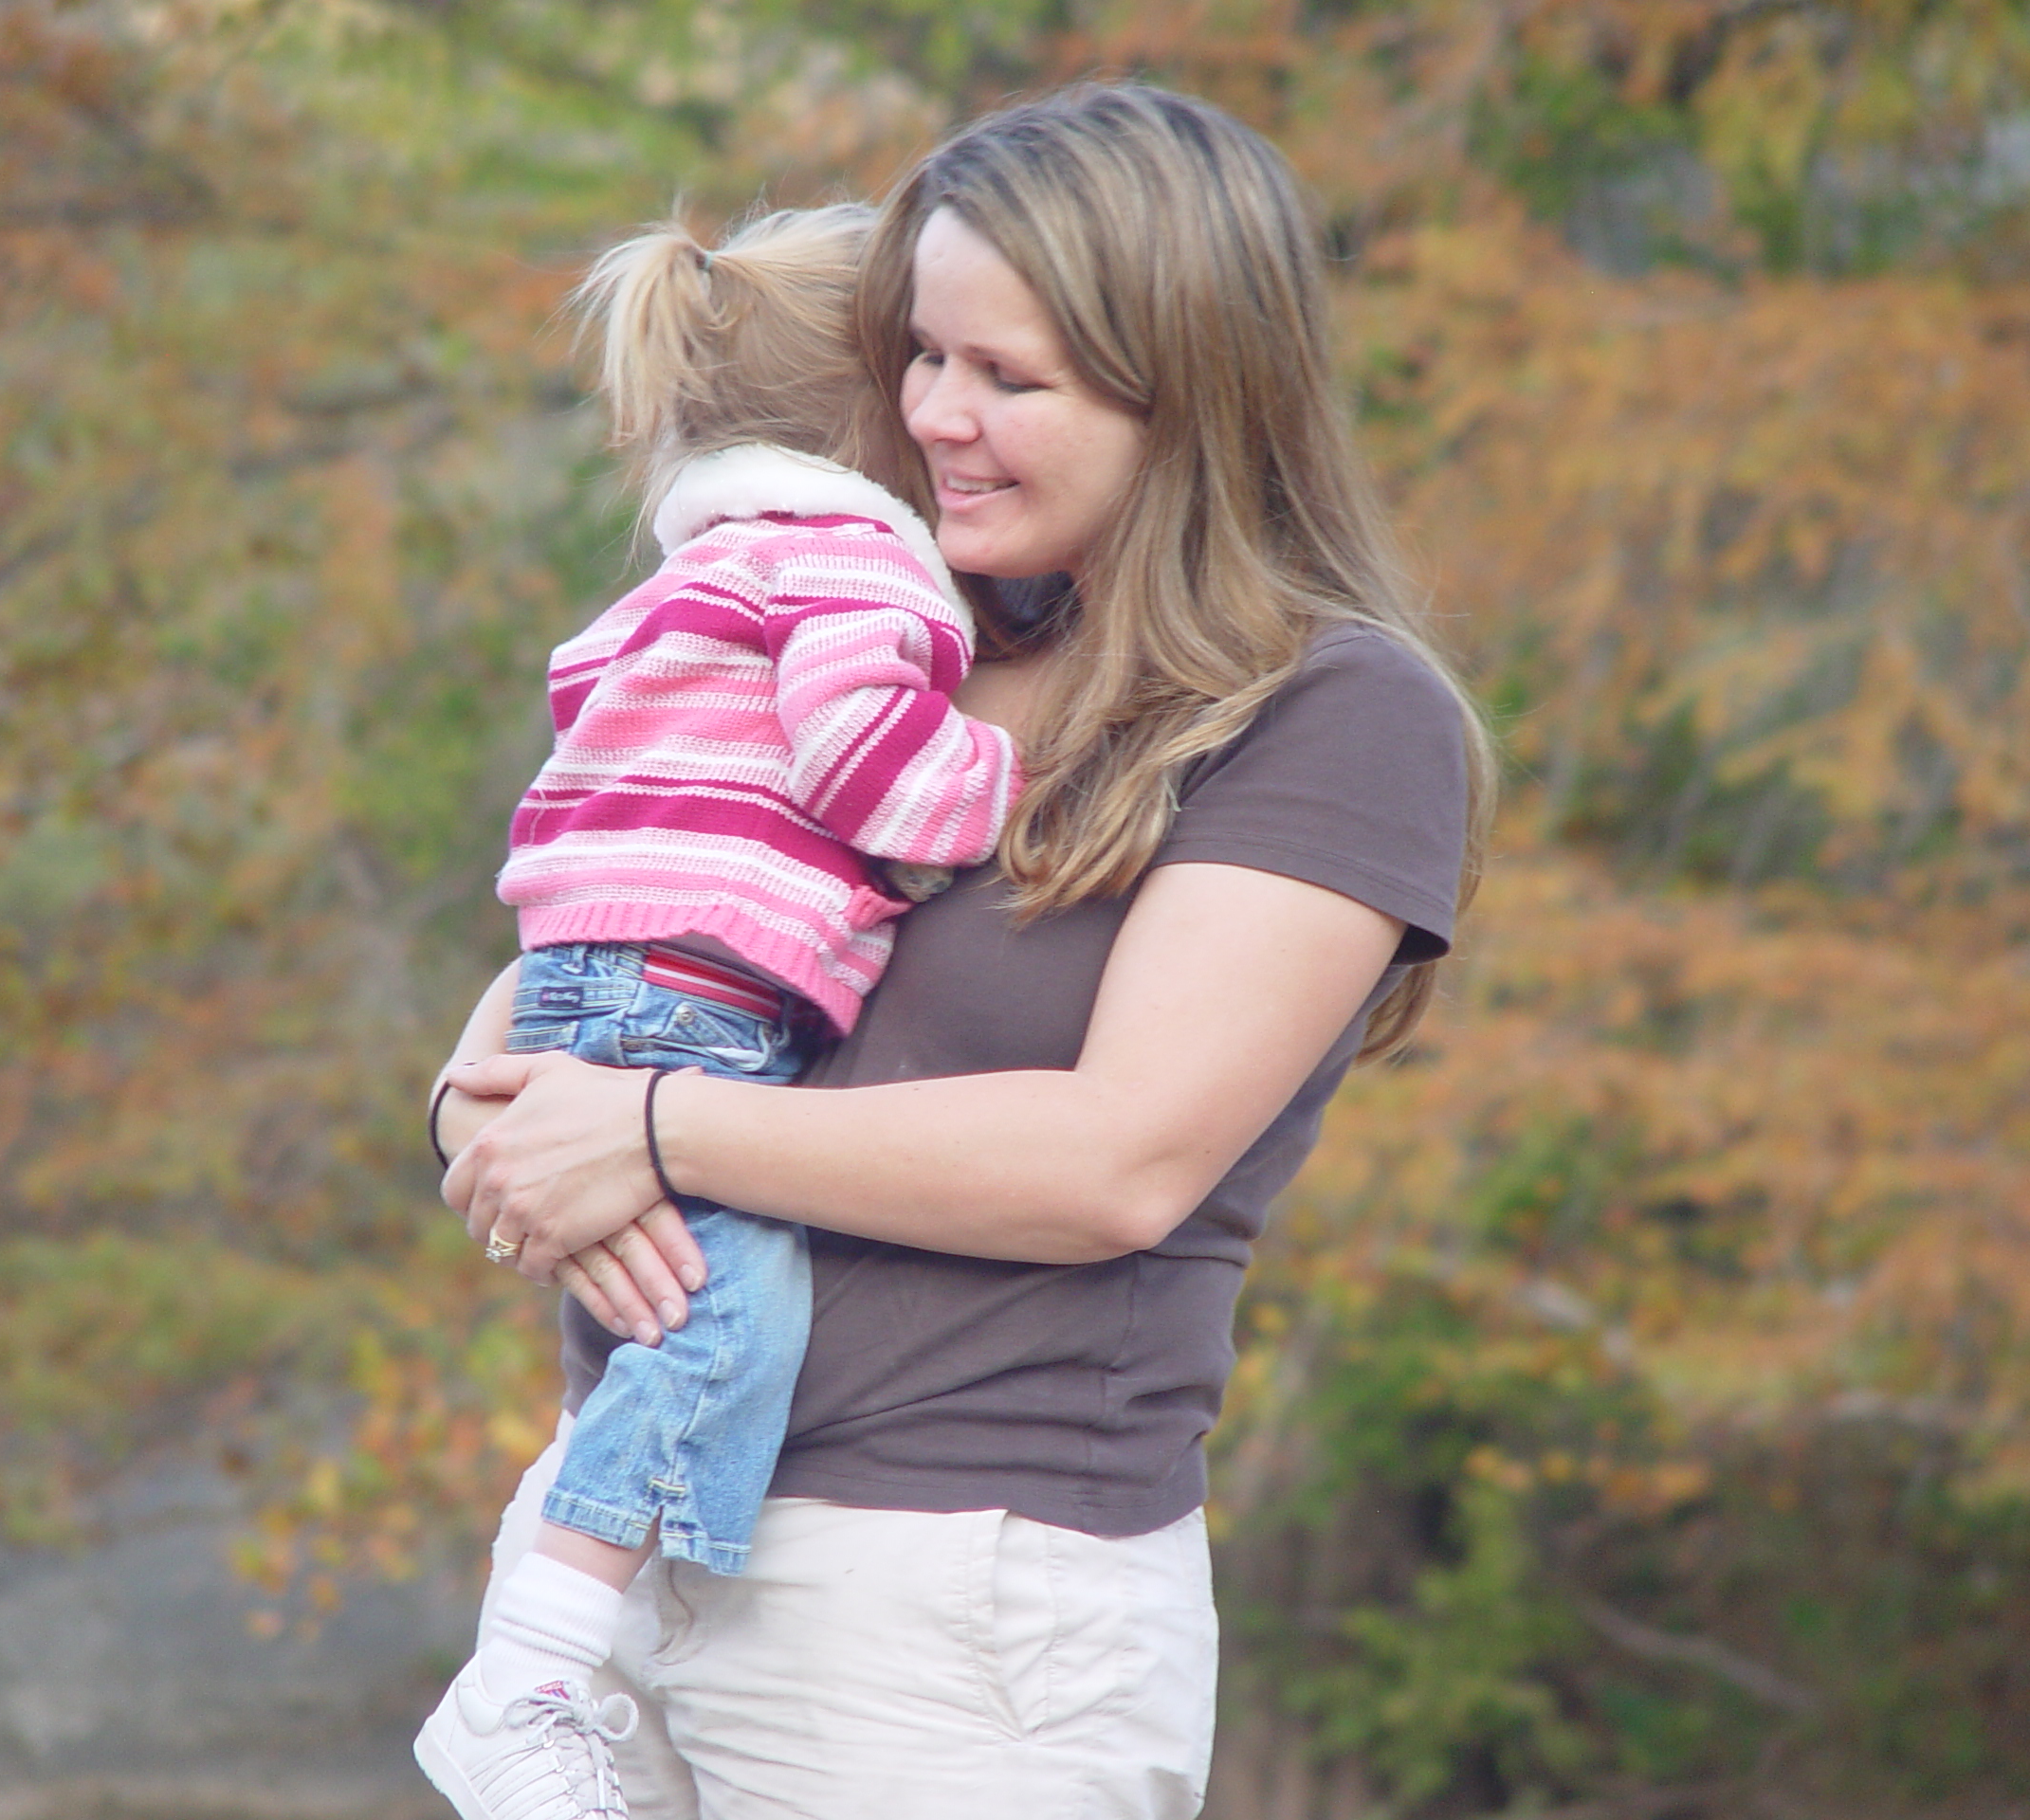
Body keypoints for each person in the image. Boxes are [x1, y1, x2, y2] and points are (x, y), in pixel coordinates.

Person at [435, 82, 1496, 1820]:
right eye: (919, 358)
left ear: (1197, 393)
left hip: (953, 1609)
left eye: (1015, 381)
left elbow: (1117, 1163)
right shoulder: (882, 628)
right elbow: (616, 917)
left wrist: (641, 1134)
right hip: (622, 1546)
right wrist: (478, 1114)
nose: (936, 418)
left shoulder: (1328, 713)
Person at [412, 204, 1023, 1820]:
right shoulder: (859, 566)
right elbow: (859, 764)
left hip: (582, 980)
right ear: (879, 415)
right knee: (728, 1327)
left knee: (674, 1312)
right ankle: (528, 1676)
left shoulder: (701, 571)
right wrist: (1003, 781)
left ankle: (546, 1651)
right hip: (695, 1009)